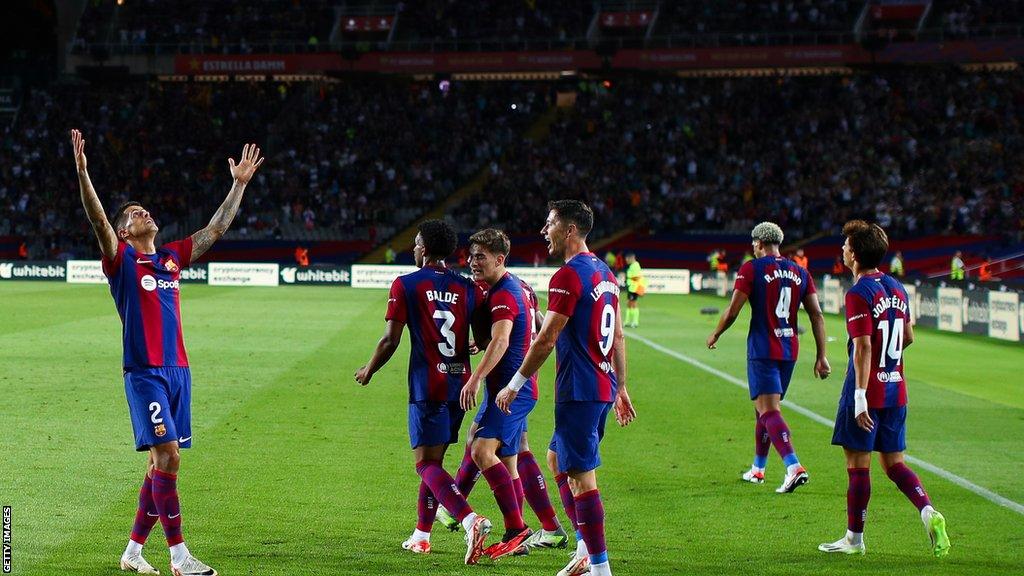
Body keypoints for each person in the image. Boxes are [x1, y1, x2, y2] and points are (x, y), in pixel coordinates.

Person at [72, 129, 264, 576]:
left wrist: (238, 184)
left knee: (158, 464)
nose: (145, 213)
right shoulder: (120, 260)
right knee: (168, 456)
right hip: (144, 372)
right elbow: (98, 220)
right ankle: (180, 556)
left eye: (145, 209)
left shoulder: (172, 259)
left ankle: (134, 551)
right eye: (135, 214)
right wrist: (84, 174)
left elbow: (215, 230)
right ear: (125, 232)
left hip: (179, 370)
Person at [495, 200, 636, 576]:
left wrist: (515, 383)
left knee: (582, 477)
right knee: (557, 458)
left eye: (550, 223)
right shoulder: (604, 272)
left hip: (579, 388)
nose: (544, 230)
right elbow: (617, 333)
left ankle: (599, 567)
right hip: (602, 385)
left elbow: (545, 340)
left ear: (569, 229)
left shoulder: (568, 275)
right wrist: (621, 386)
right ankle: (582, 547)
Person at [354, 219, 493, 564]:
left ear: (426, 250)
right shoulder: (468, 287)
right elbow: (485, 338)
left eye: (416, 243)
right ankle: (421, 536)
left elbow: (390, 339)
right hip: (460, 385)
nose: (413, 248)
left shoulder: (407, 284)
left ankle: (470, 520)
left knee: (426, 466)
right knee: (435, 463)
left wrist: (368, 369)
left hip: (427, 386)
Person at [818, 220, 949, 558]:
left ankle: (854, 539)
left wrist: (860, 397)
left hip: (866, 391)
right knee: (894, 464)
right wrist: (887, 366)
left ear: (856, 254)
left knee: (858, 466)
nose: (843, 249)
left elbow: (862, 348)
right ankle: (927, 511)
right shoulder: (896, 287)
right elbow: (907, 337)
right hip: (896, 388)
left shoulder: (858, 293)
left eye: (846, 245)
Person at [445, 228, 567, 559]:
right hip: (515, 386)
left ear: (500, 259)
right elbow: (533, 327)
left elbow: (501, 340)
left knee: (483, 450)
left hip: (509, 389)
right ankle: (537, 529)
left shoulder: (503, 293)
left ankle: (516, 527)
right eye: (471, 256)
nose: (472, 262)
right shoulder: (517, 288)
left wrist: (476, 377)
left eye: (480, 257)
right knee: (511, 458)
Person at [706, 222, 830, 492]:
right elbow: (817, 315)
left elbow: (733, 310)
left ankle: (793, 466)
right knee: (762, 410)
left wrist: (716, 333)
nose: (752, 248)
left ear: (760, 243)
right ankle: (758, 469)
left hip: (763, 348)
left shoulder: (752, 268)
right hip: (789, 350)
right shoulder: (800, 271)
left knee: (769, 410)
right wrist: (822, 356)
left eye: (753, 243)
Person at [624, 252, 644, 328]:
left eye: (627, 259)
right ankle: (627, 321)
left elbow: (637, 277)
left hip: (634, 288)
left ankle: (635, 322)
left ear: (631, 258)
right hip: (631, 287)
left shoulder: (635, 266)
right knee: (629, 304)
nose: (626, 260)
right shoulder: (632, 265)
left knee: (633, 304)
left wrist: (629, 278)